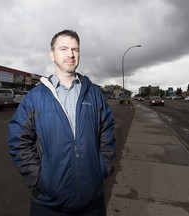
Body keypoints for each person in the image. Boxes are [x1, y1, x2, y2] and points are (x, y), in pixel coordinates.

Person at [7, 29, 116, 216]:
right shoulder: (35, 97)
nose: (70, 54)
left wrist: (102, 167)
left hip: (92, 202)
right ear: (52, 55)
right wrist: (38, 179)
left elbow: (107, 132)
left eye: (75, 49)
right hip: (48, 204)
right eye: (63, 49)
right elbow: (18, 140)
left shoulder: (94, 93)